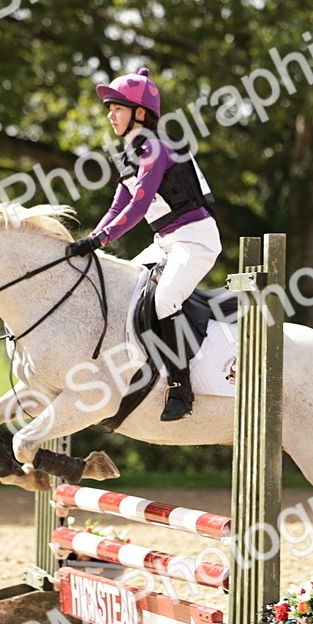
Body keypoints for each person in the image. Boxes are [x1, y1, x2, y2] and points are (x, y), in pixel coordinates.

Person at [65, 67, 220, 422]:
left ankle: (180, 387)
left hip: (196, 240)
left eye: (117, 108)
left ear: (140, 113)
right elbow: (116, 208)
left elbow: (138, 205)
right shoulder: (130, 153)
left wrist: (100, 239)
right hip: (165, 242)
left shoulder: (154, 148)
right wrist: (88, 242)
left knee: (164, 300)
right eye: (110, 108)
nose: (110, 115)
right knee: (124, 290)